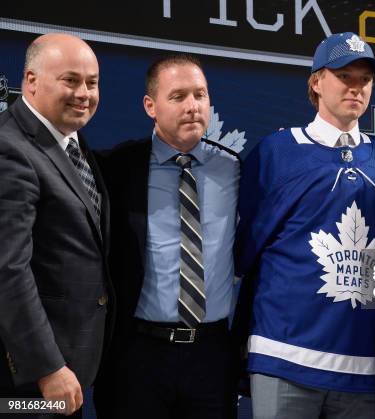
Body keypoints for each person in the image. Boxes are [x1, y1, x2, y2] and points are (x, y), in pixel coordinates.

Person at [234, 32, 375, 419]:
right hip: (285, 354)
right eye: (344, 75)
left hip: (365, 365)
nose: (356, 87)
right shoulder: (277, 151)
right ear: (316, 82)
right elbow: (243, 249)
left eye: (365, 79)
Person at [93, 54, 239, 419]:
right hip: (137, 354)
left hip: (212, 354)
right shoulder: (116, 167)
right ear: (150, 106)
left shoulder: (235, 169)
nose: (192, 106)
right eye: (178, 96)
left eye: (200, 95)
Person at [0, 33, 111, 417]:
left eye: (92, 83)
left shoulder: (71, 143)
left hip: (71, 371)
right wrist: (46, 367)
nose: (84, 93)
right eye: (71, 80)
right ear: (31, 81)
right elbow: (7, 269)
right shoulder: (10, 148)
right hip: (30, 381)